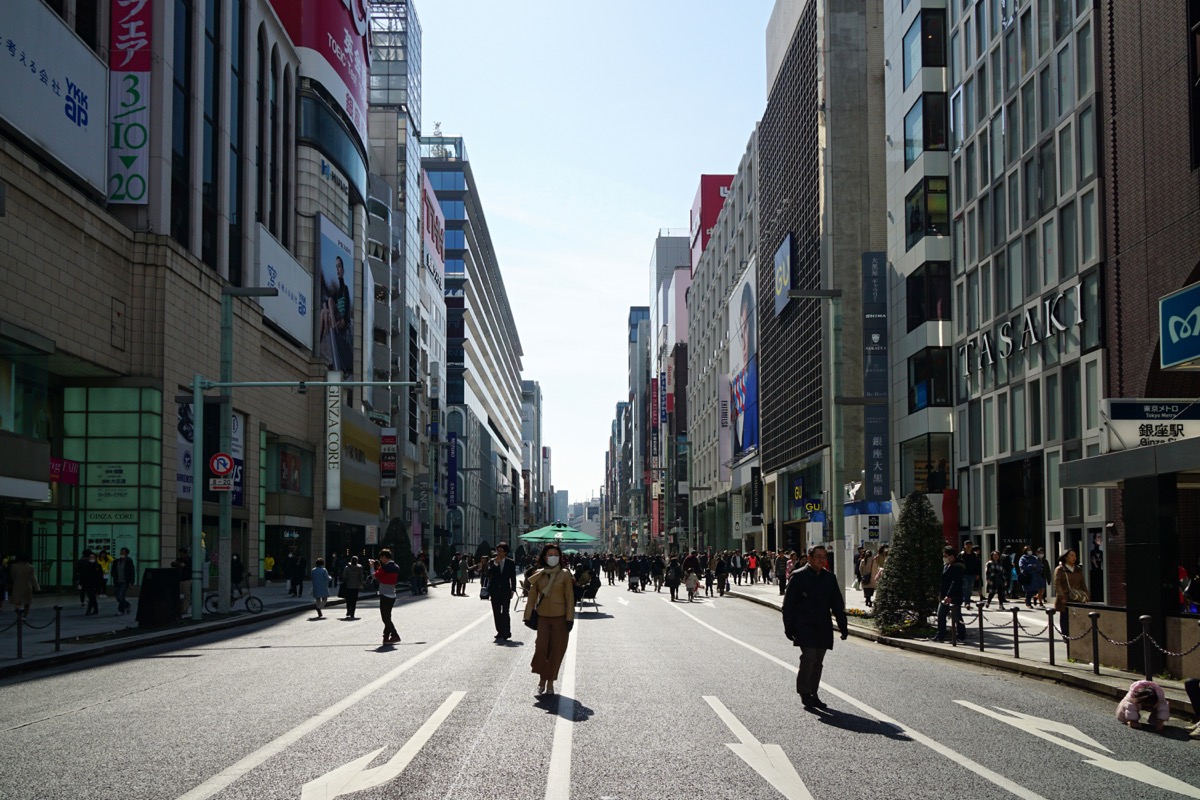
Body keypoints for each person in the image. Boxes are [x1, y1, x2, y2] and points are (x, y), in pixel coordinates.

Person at [782, 545, 849, 710]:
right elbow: (788, 605)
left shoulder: (829, 578)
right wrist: (789, 627)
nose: (821, 560)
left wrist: (843, 626)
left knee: (818, 661)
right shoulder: (798, 576)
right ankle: (804, 692)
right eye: (818, 556)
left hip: (823, 626)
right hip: (804, 626)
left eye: (824, 557)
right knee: (809, 657)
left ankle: (813, 693)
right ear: (809, 557)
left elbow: (837, 604)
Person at [524, 544, 575, 696]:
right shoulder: (538, 574)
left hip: (561, 617)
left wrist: (570, 618)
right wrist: (527, 616)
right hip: (543, 617)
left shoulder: (565, 574)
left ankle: (550, 681)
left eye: (556, 555)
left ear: (560, 557)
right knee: (540, 649)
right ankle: (542, 678)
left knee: (556, 651)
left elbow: (570, 598)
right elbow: (532, 596)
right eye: (550, 554)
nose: (553, 557)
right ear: (545, 557)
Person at [1052, 549, 1089, 636]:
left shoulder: (1078, 569)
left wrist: (1087, 595)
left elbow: (1082, 583)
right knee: (1065, 617)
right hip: (1066, 597)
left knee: (1077, 616)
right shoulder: (1060, 569)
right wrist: (1062, 597)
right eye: (1071, 555)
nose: (1074, 558)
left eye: (1075, 556)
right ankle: (1066, 635)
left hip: (1077, 597)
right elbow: (1057, 584)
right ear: (1065, 557)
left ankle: (1076, 635)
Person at [933, 546, 967, 643]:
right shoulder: (946, 565)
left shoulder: (958, 567)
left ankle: (961, 635)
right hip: (944, 596)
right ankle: (940, 635)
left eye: (946, 556)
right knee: (941, 615)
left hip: (954, 596)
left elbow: (955, 582)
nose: (944, 558)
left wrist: (949, 595)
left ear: (952, 556)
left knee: (957, 616)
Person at [487, 542, 518, 641]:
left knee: (505, 612)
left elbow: (513, 577)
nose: (499, 553)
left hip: (505, 590)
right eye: (498, 551)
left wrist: (513, 589)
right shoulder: (492, 561)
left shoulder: (510, 562)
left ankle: (507, 632)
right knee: (496, 612)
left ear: (505, 552)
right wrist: (496, 563)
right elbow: (488, 573)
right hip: (494, 590)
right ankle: (500, 631)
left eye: (501, 551)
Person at [373, 549, 402, 644]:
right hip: (392, 594)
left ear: (385, 557)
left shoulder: (385, 567)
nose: (381, 560)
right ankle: (386, 637)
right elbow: (385, 576)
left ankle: (395, 634)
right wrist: (380, 568)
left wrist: (372, 567)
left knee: (385, 618)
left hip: (385, 594)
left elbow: (375, 576)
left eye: (381, 558)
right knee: (387, 617)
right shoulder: (396, 566)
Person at [8, 554, 37, 618]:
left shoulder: (14, 566)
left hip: (17, 586)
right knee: (27, 602)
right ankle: (24, 616)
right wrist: (37, 587)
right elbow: (33, 578)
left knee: (17, 602)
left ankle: (19, 615)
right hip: (27, 586)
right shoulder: (30, 567)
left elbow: (12, 576)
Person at [110, 547, 136, 616]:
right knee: (117, 597)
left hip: (125, 581)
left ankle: (121, 610)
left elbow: (132, 572)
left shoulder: (129, 561)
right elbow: (113, 570)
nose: (122, 553)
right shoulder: (116, 561)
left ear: (127, 554)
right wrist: (113, 575)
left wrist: (131, 582)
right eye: (121, 552)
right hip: (117, 581)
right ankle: (127, 605)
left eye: (123, 552)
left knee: (120, 596)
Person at [79, 551, 103, 615]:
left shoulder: (98, 566)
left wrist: (99, 585)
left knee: (91, 597)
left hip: (95, 584)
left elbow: (100, 576)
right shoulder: (86, 566)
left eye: (93, 557)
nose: (91, 558)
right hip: (87, 584)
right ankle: (96, 609)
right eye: (90, 557)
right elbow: (83, 575)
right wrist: (81, 583)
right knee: (92, 597)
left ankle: (89, 610)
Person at [174, 548, 192, 618]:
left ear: (185, 554)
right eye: (180, 554)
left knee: (186, 595)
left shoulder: (189, 560)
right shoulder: (179, 559)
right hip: (179, 579)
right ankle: (178, 608)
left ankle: (185, 609)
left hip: (186, 579)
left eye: (182, 554)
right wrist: (177, 563)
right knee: (176, 594)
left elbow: (190, 568)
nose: (181, 555)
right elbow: (172, 564)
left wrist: (184, 566)